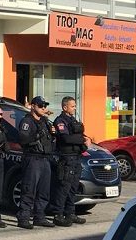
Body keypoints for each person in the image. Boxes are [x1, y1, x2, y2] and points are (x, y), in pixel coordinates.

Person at [16, 96, 56, 229]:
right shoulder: (27, 121)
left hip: (45, 159)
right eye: (40, 105)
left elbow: (50, 138)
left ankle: (39, 217)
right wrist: (37, 135)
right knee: (29, 189)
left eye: (44, 105)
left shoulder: (45, 121)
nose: (43, 108)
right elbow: (23, 139)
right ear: (33, 106)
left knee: (44, 191)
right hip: (33, 158)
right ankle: (23, 217)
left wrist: (53, 133)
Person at [49, 96, 89, 227]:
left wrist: (85, 140)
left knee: (73, 187)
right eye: (72, 106)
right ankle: (58, 214)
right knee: (64, 187)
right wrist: (82, 140)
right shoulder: (60, 121)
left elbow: (78, 135)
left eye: (75, 106)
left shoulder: (73, 120)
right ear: (65, 107)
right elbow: (66, 139)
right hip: (66, 158)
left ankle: (70, 213)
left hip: (76, 157)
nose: (75, 108)